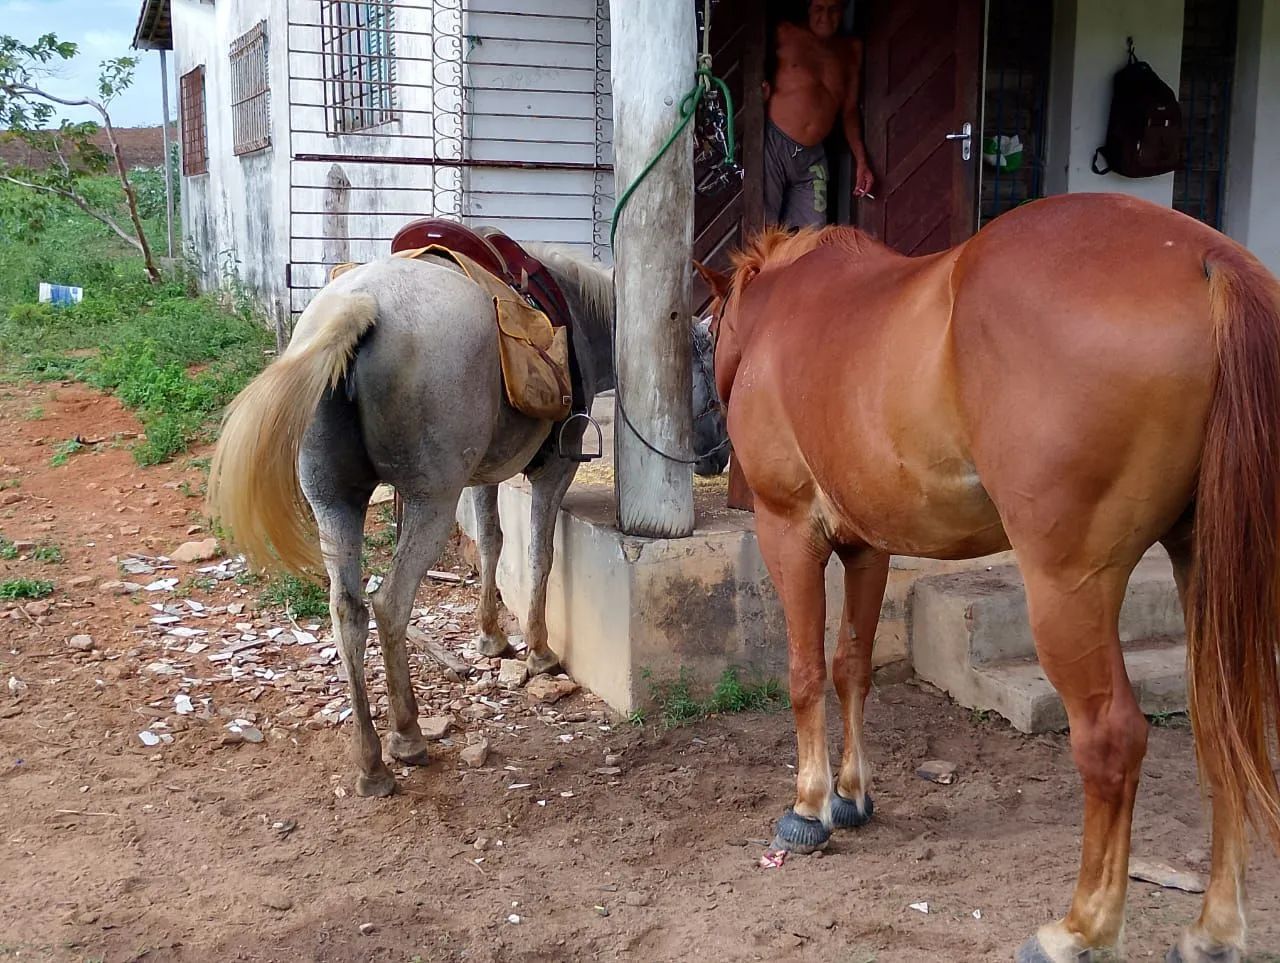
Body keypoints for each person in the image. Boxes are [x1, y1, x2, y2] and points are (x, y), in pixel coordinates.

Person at [763, 0, 874, 229]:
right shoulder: (786, 33)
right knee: (763, 230)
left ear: (843, 11)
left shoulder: (850, 50)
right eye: (819, 8)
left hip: (812, 157)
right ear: (807, 8)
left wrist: (861, 160)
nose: (826, 16)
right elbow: (756, 69)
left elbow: (849, 110)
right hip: (774, 146)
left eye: (833, 9)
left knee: (812, 236)